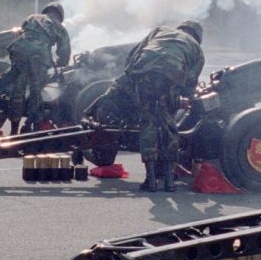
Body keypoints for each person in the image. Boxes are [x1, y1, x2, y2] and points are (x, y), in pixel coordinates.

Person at [87, 20, 205, 191]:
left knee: (148, 121)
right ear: (198, 36)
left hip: (144, 74)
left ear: (181, 28)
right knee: (168, 126)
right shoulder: (197, 49)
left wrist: (130, 79)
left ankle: (150, 180)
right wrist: (182, 98)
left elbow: (134, 55)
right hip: (171, 78)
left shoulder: (161, 30)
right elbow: (191, 82)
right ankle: (169, 181)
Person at [0, 1, 72, 134]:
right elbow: (64, 52)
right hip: (39, 58)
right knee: (36, 94)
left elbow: (21, 33)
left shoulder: (32, 17)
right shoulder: (60, 27)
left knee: (17, 92)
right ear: (60, 15)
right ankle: (28, 127)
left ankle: (14, 129)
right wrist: (60, 62)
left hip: (20, 52)